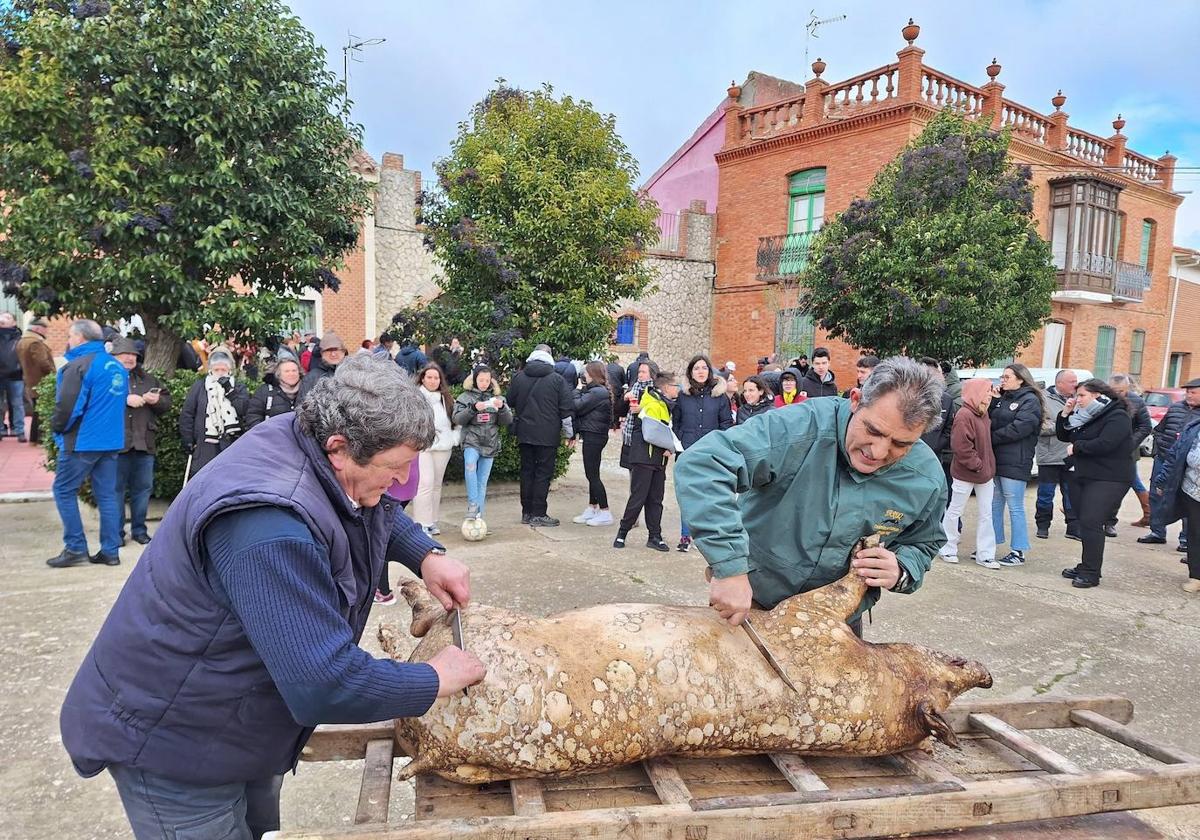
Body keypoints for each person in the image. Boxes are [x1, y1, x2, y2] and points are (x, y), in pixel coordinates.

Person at [59, 354, 485, 839]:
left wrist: (424, 553)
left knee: (260, 828)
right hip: (177, 740)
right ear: (340, 448)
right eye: (395, 467)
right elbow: (323, 684)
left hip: (242, 725)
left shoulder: (306, 435)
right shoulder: (268, 524)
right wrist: (432, 679)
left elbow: (367, 503)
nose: (400, 483)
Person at [675, 356, 947, 637]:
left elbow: (924, 542)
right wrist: (729, 567)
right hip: (752, 604)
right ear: (855, 400)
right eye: (873, 430)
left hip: (838, 621)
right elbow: (704, 465)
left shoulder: (926, 479)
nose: (877, 452)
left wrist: (902, 569)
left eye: (901, 444)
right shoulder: (799, 427)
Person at [46, 320, 129, 568]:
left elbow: (68, 407)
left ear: (80, 338)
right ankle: (110, 551)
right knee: (107, 496)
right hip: (111, 441)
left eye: (71, 336)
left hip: (83, 442)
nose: (68, 340)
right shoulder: (116, 365)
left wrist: (57, 428)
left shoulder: (79, 366)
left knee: (63, 490)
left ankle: (75, 548)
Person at [1056, 379, 1134, 589]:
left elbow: (1106, 443)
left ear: (1097, 395)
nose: (1077, 399)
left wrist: (1078, 447)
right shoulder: (1083, 416)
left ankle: (1091, 573)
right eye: (1077, 395)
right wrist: (1065, 413)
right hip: (1083, 474)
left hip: (1109, 477)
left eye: (1082, 396)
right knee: (1084, 522)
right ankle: (1086, 565)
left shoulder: (1116, 416)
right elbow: (1064, 435)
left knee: (1091, 521)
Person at [111, 338, 170, 547]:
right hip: (117, 444)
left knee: (142, 490)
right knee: (115, 491)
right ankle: (116, 533)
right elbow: (96, 402)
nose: (129, 358)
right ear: (114, 357)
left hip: (144, 442)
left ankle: (139, 530)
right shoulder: (107, 377)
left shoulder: (149, 379)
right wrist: (124, 400)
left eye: (133, 355)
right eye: (124, 354)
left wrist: (158, 401)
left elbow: (166, 404)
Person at [506, 346, 575, 526]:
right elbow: (566, 409)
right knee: (543, 474)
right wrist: (569, 434)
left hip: (524, 433)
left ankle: (526, 513)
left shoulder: (519, 377)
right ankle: (539, 513)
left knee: (527, 472)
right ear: (550, 357)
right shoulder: (557, 380)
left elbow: (510, 401)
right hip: (548, 434)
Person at [672, 354, 734, 551]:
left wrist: (718, 444)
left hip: (711, 453)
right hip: (687, 451)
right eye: (696, 368)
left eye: (704, 368)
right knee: (687, 494)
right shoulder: (683, 396)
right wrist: (681, 439)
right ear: (691, 372)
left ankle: (708, 537)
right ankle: (685, 536)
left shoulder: (719, 396)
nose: (700, 371)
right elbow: (676, 423)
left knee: (709, 495)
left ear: (709, 372)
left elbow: (726, 424)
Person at [615, 369, 678, 552]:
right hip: (644, 456)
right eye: (676, 386)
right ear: (666, 387)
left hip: (659, 459)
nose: (678, 390)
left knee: (656, 499)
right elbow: (653, 430)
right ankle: (622, 532)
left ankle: (654, 536)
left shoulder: (667, 404)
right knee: (639, 497)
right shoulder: (651, 401)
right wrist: (671, 444)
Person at [939, 378, 998, 568]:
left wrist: (985, 468)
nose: (989, 395)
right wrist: (978, 465)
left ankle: (986, 554)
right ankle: (947, 548)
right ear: (976, 392)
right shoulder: (965, 414)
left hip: (985, 474)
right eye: (986, 391)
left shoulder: (983, 413)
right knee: (955, 510)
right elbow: (961, 446)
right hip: (966, 474)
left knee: (986, 514)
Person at [989, 363, 1043, 567]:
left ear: (1020, 379)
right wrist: (994, 403)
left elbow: (1020, 428)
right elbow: (991, 420)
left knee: (1015, 507)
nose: (1003, 380)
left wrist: (991, 437)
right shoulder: (1002, 398)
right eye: (1002, 377)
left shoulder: (1030, 400)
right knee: (995, 504)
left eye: (1007, 377)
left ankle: (1018, 550)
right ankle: (990, 544)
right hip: (998, 459)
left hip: (1016, 461)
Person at [1140, 379, 1200, 550]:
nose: (1188, 395)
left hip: (1187, 465)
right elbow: (1159, 430)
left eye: (1193, 392)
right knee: (1156, 494)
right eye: (1187, 392)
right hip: (1164, 458)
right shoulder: (1175, 408)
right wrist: (1160, 449)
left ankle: (1186, 540)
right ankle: (1157, 532)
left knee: (1187, 499)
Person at [453, 363, 513, 523]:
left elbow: (507, 421)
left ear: (491, 381)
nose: (484, 383)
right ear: (474, 380)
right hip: (471, 441)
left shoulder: (498, 398)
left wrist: (502, 408)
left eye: (487, 380)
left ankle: (479, 516)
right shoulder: (464, 398)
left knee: (482, 481)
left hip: (490, 443)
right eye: (481, 380)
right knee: (470, 467)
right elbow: (457, 419)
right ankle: (473, 504)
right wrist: (473, 409)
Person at [179, 348, 250, 477]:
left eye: (223, 370)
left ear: (229, 370)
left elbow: (244, 410)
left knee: (228, 478)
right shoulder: (200, 386)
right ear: (211, 369)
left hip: (231, 442)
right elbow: (188, 413)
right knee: (202, 478)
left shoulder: (238, 387)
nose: (220, 373)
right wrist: (188, 440)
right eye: (217, 370)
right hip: (205, 444)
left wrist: (230, 392)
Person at [1152, 414, 1200, 594]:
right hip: (1193, 490)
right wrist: (1162, 480)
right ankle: (1196, 577)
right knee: (1196, 534)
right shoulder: (1194, 427)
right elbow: (1175, 454)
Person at [412, 362, 458, 535]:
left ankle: (431, 520)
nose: (432, 381)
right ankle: (421, 523)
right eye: (429, 377)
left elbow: (456, 421)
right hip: (423, 446)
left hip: (443, 446)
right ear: (423, 378)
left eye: (436, 378)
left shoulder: (446, 398)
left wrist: (454, 439)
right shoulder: (416, 397)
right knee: (425, 483)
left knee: (437, 484)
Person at [1105, 373, 1153, 535]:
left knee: (1123, 485)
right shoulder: (1102, 400)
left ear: (1128, 388)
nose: (1119, 394)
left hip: (1126, 453)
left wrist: (1130, 444)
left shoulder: (1137, 401)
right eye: (1115, 391)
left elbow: (1145, 426)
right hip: (1103, 450)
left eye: (1122, 391)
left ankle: (1110, 521)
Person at [1035, 370, 1079, 540]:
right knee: (1046, 494)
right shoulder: (1043, 399)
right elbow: (1040, 426)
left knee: (1072, 493)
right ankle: (1043, 525)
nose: (1075, 384)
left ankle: (1073, 528)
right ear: (1059, 383)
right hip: (1049, 455)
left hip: (1070, 456)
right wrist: (1063, 425)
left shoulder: (1079, 399)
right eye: (1072, 381)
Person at [572, 362, 615, 527]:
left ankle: (605, 511)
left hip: (594, 436)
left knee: (592, 475)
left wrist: (576, 389)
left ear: (593, 374)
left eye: (587, 373)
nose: (584, 375)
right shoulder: (596, 390)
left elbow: (577, 406)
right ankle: (592, 507)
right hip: (594, 434)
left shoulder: (598, 392)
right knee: (592, 473)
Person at [16, 316, 56, 444]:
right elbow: (43, 363)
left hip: (30, 380)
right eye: (45, 329)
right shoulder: (35, 343)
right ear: (38, 328)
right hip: (40, 381)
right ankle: (38, 438)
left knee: (37, 411)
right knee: (41, 412)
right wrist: (54, 374)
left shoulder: (23, 341)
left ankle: (34, 438)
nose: (46, 332)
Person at [919, 357, 955, 497]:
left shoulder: (946, 399)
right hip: (909, 456)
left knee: (935, 495)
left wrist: (936, 445)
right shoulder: (909, 396)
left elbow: (949, 428)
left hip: (934, 457)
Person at [245, 359, 303, 429]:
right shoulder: (265, 391)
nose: (291, 374)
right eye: (286, 371)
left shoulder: (307, 389)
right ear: (278, 374)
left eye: (294, 370)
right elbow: (253, 416)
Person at [298, 331, 347, 400]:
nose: (333, 354)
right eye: (328, 350)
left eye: (336, 349)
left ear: (344, 352)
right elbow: (302, 406)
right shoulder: (311, 378)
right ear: (321, 353)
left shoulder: (352, 374)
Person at [0, 312, 25, 440]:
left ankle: (19, 430)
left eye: (7, 317)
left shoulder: (19, 338)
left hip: (16, 375)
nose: (3, 319)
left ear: (14, 322)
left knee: (17, 404)